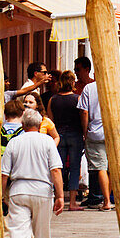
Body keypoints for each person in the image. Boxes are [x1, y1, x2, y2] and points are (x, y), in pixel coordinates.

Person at [2, 109, 63, 238]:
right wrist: (60, 195)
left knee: (19, 233)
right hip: (42, 190)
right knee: (42, 232)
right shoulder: (47, 141)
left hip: (18, 190)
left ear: (23, 125)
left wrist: (0, 194)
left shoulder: (14, 142)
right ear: (39, 125)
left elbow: (4, 173)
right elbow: (56, 170)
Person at [77, 71, 114, 210]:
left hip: (96, 132)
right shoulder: (117, 86)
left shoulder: (89, 88)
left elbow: (84, 111)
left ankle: (106, 201)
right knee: (111, 168)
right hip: (114, 132)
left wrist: (85, 131)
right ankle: (108, 198)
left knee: (101, 167)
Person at [48, 71, 83, 210]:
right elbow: (82, 116)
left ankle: (58, 198)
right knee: (74, 167)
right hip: (75, 134)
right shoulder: (77, 99)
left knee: (58, 167)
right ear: (73, 82)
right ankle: (73, 202)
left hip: (59, 135)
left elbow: (51, 120)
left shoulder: (53, 99)